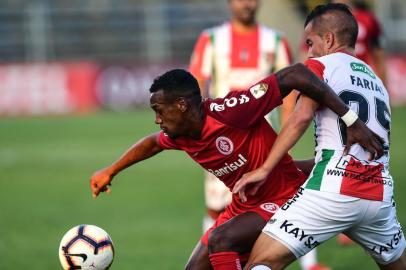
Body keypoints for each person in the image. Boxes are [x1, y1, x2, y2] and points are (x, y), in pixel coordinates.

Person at [90, 65, 383, 270]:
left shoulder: (232, 111)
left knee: (222, 239)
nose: (157, 119)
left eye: (159, 110)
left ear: (181, 105)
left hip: (283, 197)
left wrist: (350, 119)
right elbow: (152, 143)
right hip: (245, 206)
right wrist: (110, 171)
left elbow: (296, 74)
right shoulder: (181, 134)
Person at [232, 3, 406, 270]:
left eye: (310, 42)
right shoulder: (377, 81)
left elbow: (301, 117)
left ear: (329, 39)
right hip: (379, 198)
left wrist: (265, 169)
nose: (309, 51)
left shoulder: (320, 66)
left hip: (332, 192)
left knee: (261, 261)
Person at [189, 0, 296, 238]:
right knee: (217, 207)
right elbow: (196, 86)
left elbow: (290, 94)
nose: (247, 3)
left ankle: (309, 264)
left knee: (284, 202)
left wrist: (287, 139)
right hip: (221, 142)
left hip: (264, 142)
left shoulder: (275, 41)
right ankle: (212, 261)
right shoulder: (212, 39)